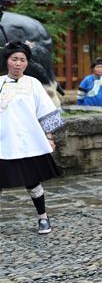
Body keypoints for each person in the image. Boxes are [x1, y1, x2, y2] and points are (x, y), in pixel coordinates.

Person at [0, 41, 64, 234]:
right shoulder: (0, 83)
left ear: (27, 63)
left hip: (28, 142)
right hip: (4, 142)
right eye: (14, 59)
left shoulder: (33, 84)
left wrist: (50, 136)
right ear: (7, 61)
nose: (18, 63)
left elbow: (46, 111)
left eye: (22, 60)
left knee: (32, 181)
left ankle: (43, 217)